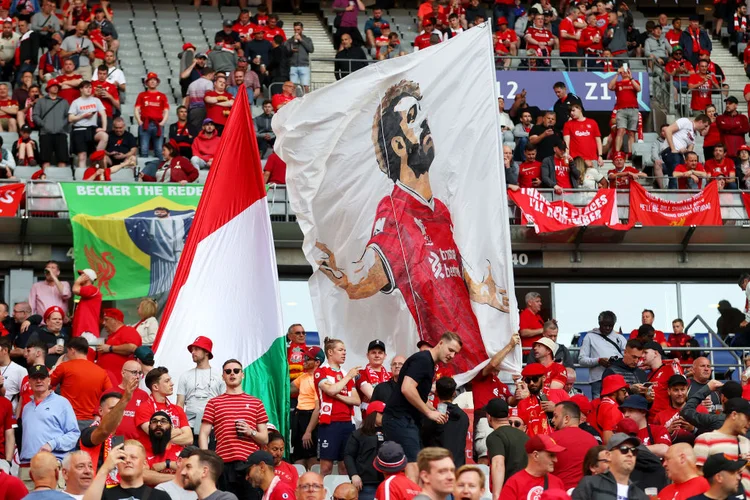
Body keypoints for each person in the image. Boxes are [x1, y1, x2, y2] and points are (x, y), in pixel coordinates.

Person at [383, 332, 461, 481]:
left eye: (455, 353)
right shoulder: (423, 360)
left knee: (418, 464)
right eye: (450, 350)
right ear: (440, 343)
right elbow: (407, 388)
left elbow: (416, 393)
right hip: (399, 418)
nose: (452, 355)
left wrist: (432, 409)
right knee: (413, 465)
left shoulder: (429, 363)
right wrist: (428, 412)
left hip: (407, 420)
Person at [199, 358, 269, 498]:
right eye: (228, 371)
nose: (232, 374)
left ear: (242, 374)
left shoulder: (256, 402)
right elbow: (203, 434)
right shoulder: (214, 403)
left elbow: (265, 438)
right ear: (223, 376)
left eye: (236, 371)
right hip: (224, 463)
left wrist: (251, 432)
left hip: (250, 464)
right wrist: (207, 459)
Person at [19, 364, 80, 489]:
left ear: (49, 380)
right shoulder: (26, 408)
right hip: (27, 467)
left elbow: (74, 434)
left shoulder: (62, 403)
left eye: (42, 377)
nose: (39, 381)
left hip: (51, 465)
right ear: (29, 382)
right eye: (35, 378)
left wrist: (52, 444)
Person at [315, 337, 360, 476]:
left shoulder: (346, 373)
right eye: (340, 350)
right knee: (326, 467)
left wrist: (338, 396)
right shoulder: (321, 371)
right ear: (330, 352)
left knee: (345, 466)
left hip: (347, 422)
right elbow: (331, 390)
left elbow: (357, 400)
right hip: (329, 423)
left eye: (345, 351)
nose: (344, 353)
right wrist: (347, 378)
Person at [50, 337, 112, 428]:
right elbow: (110, 394)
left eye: (67, 352)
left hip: (68, 419)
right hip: (91, 421)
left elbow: (46, 384)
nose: (67, 355)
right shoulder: (101, 372)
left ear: (72, 350)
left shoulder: (64, 367)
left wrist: (57, 364)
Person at [79, 381, 137, 477]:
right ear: (100, 411)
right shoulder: (89, 431)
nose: (117, 413)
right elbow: (104, 431)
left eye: (120, 410)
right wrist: (125, 399)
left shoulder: (118, 439)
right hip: (92, 487)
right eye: (113, 409)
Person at [693, 398, 750, 493]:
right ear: (734, 415)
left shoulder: (746, 442)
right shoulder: (706, 439)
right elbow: (697, 476)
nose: (749, 424)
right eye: (748, 418)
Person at [82, 441, 171, 500]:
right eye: (123, 458)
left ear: (144, 464)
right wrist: (105, 468)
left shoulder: (160, 497)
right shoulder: (104, 495)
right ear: (117, 463)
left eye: (133, 457)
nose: (127, 460)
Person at [177, 336, 225, 444]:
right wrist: (181, 426)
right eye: (192, 349)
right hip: (189, 427)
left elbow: (224, 404)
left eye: (196, 349)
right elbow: (179, 404)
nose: (193, 352)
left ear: (206, 352)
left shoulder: (219, 376)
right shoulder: (185, 376)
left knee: (210, 459)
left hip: (212, 427)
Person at [572, 433, 649, 499]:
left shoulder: (641, 496)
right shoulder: (589, 484)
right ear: (608, 455)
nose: (630, 454)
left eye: (634, 450)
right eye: (624, 449)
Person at [484, 398, 529, 497]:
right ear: (507, 416)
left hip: (509, 492)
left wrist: (497, 495)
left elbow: (498, 464)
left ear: (489, 416)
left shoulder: (495, 436)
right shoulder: (525, 436)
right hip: (526, 491)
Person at [420, 378, 469, 468]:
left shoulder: (431, 417)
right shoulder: (464, 417)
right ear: (454, 393)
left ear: (436, 392)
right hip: (458, 467)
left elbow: (423, 440)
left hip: (437, 467)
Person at [550, 401, 599, 490]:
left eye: (555, 416)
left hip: (558, 492)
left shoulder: (551, 439)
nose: (552, 420)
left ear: (566, 419)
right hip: (585, 493)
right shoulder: (592, 440)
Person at [499, 435, 565, 499]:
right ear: (535, 455)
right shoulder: (514, 483)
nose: (555, 460)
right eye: (551, 455)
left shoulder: (557, 482)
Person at [472, 334, 518, 427]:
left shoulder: (501, 384)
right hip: (485, 415)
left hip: (501, 419)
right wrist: (510, 345)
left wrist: (518, 392)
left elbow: (511, 402)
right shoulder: (480, 375)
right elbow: (492, 364)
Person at [579, 310, 628, 398]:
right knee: (598, 406)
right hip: (598, 379)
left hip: (617, 378)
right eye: (605, 325)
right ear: (599, 323)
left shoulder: (620, 338)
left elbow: (627, 357)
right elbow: (581, 360)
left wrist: (617, 362)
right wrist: (598, 361)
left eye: (611, 326)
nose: (608, 328)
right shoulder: (590, 337)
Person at [342, 397, 383, 499]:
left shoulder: (390, 433)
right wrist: (354, 475)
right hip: (365, 484)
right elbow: (348, 455)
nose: (385, 416)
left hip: (385, 482)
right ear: (373, 414)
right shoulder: (358, 434)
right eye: (381, 413)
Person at [291, 346, 321, 469]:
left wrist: (308, 431)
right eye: (304, 357)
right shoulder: (303, 377)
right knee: (299, 457)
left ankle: (312, 485)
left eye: (308, 358)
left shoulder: (319, 379)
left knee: (312, 459)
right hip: (299, 417)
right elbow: (287, 389)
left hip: (311, 418)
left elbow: (318, 408)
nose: (304, 360)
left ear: (317, 362)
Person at [662, 114, 711, 189]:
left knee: (683, 175)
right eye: (705, 126)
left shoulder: (694, 135)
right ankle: (673, 197)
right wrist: (673, 149)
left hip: (680, 154)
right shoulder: (685, 122)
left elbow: (689, 152)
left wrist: (685, 152)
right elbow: (668, 130)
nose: (705, 129)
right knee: (676, 177)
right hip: (671, 152)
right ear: (700, 122)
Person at [96, 308, 142, 386]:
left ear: (115, 319)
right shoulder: (111, 336)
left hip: (119, 382)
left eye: (106, 320)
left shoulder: (128, 330)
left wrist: (110, 348)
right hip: (107, 382)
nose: (103, 323)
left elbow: (132, 347)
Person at [68, 80, 108, 169]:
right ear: (81, 89)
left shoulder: (96, 100)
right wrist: (83, 116)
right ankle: (82, 178)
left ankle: (96, 157)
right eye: (86, 87)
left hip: (92, 129)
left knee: (104, 136)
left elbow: (103, 114)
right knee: (82, 156)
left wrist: (104, 128)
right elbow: (70, 118)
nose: (89, 89)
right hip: (79, 130)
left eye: (90, 87)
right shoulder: (76, 102)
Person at [33, 79, 70, 169]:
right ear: (48, 88)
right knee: (45, 160)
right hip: (45, 134)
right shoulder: (40, 101)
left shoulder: (64, 102)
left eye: (57, 86)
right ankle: (45, 180)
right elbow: (35, 115)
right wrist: (43, 124)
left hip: (61, 134)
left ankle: (61, 181)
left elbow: (68, 116)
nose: (55, 87)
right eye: (53, 86)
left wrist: (62, 125)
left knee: (62, 160)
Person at [135, 73, 170, 160]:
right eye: (150, 80)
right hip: (145, 124)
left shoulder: (162, 96)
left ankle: (160, 169)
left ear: (157, 82)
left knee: (159, 149)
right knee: (144, 149)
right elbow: (136, 109)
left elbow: (166, 110)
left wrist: (162, 122)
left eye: (154, 80)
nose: (153, 82)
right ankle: (143, 171)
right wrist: (139, 121)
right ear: (147, 83)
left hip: (158, 124)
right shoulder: (142, 95)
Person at [594, 374, 628, 444]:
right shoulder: (612, 409)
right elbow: (608, 440)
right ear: (614, 392)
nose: (627, 394)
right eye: (623, 391)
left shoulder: (605, 403)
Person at [355, 339, 391, 406]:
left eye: (380, 353)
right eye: (373, 352)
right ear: (367, 355)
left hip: (389, 414)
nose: (377, 355)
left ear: (385, 356)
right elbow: (373, 396)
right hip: (369, 414)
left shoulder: (391, 375)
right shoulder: (361, 373)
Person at [285, 22, 314, 94]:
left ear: (302, 29)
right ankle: (293, 102)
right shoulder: (290, 40)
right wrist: (291, 50)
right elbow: (286, 53)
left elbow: (311, 49)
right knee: (292, 86)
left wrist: (301, 40)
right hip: (293, 65)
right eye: (295, 30)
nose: (296, 31)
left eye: (298, 29)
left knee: (305, 86)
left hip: (304, 65)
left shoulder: (307, 39)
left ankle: (306, 101)